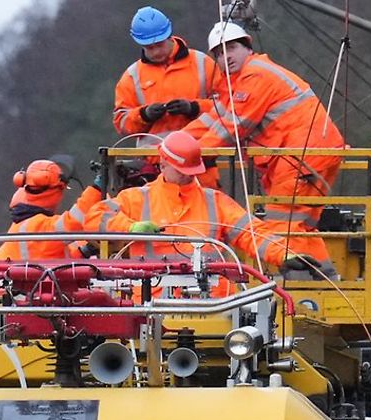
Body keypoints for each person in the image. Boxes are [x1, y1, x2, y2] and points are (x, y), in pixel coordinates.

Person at [182, 21, 342, 278]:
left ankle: (298, 291)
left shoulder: (255, 76)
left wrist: (183, 156)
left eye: (231, 48)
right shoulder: (242, 83)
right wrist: (173, 144)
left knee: (282, 227)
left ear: (247, 47)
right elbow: (215, 119)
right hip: (309, 153)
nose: (226, 57)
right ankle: (325, 281)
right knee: (300, 226)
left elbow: (231, 128)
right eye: (219, 53)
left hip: (301, 154)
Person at [84, 131, 268, 271]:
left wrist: (285, 255)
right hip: (152, 304)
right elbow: (94, 218)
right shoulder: (136, 199)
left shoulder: (215, 201)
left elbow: (252, 233)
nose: (188, 176)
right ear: (162, 164)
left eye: (191, 171)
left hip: (210, 305)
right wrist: (130, 228)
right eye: (182, 171)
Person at [113, 7, 216, 141]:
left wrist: (194, 108)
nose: (156, 52)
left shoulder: (203, 63)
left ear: (169, 37)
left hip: (199, 154)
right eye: (149, 48)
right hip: (153, 157)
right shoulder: (132, 76)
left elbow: (226, 108)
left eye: (159, 45)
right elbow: (121, 123)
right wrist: (144, 115)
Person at [0, 158, 103, 261]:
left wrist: (83, 252)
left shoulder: (21, 225)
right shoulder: (38, 226)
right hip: (34, 283)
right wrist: (97, 189)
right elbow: (75, 221)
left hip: (25, 281)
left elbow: (51, 259)